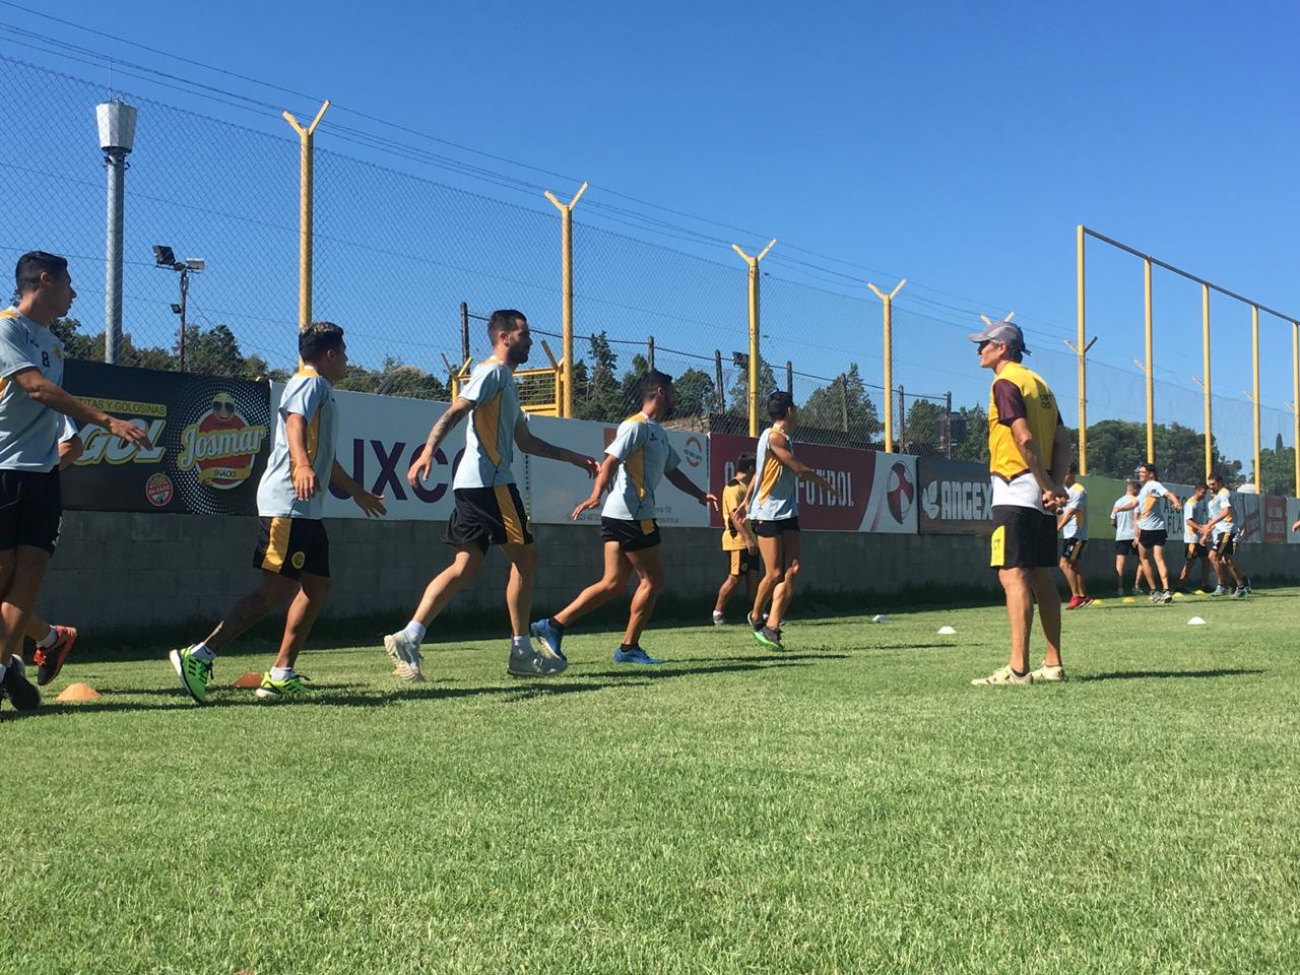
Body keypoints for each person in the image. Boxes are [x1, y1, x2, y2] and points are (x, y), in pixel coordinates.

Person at [170, 322, 386, 704]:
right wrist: (301, 466)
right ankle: (199, 655)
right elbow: (294, 423)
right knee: (277, 590)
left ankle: (281, 674)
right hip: (287, 505)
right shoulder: (310, 382)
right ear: (330, 354)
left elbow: (326, 458)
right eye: (345, 352)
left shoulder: (322, 391)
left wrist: (357, 493)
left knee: (317, 586)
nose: (348, 360)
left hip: (306, 510)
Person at [384, 310, 598, 680]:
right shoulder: (493, 373)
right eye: (525, 334)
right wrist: (428, 450)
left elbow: (525, 440)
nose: (530, 340)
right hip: (492, 484)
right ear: (504, 337)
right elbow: (456, 410)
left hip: (474, 485)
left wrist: (575, 458)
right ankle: (521, 651)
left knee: (465, 566)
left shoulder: (506, 383)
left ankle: (409, 635)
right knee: (527, 560)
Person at [0, 252, 151, 713]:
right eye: (68, 283)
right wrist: (108, 420)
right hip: (4, 472)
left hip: (41, 477)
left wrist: (59, 458)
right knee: (3, 580)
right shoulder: (6, 328)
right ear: (44, 281)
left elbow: (53, 413)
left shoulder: (56, 345)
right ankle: (21, 660)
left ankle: (7, 668)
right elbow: (36, 389)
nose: (74, 293)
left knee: (29, 576)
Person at [530, 370, 718, 665]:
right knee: (653, 580)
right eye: (671, 390)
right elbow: (609, 462)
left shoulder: (657, 431)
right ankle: (628, 647)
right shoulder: (636, 427)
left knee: (613, 583)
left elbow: (672, 471)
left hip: (622, 515)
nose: (675, 396)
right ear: (658, 391)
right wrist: (595, 495)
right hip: (633, 515)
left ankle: (551, 625)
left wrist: (698, 494)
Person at [967, 321, 1070, 686]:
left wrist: (1045, 482)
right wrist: (1054, 485)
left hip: (1015, 487)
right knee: (1041, 574)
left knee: (1012, 574)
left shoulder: (1004, 383)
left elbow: (1023, 438)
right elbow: (1063, 439)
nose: (979, 350)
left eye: (984, 344)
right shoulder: (1040, 384)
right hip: (1038, 493)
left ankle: (1018, 668)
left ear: (1003, 349)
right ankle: (1053, 663)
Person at [739, 391, 836, 652]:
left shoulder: (783, 438)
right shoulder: (773, 437)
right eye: (795, 406)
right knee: (774, 573)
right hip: (768, 513)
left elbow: (762, 471)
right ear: (789, 411)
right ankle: (756, 615)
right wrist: (824, 483)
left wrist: (747, 497)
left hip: (787, 512)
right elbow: (799, 470)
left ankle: (772, 626)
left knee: (793, 570)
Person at [23, 416, 83, 686]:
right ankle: (50, 639)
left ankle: (48, 641)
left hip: (26, 506)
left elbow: (71, 445)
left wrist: (29, 480)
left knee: (12, 593)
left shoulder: (40, 391)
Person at [1115, 462, 1182, 604]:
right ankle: (1166, 589)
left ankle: (1154, 590)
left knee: (1144, 559)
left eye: (1143, 472)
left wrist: (1175, 500)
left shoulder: (1153, 485)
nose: (1140, 474)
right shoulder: (1145, 490)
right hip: (1159, 528)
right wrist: (1121, 509)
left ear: (1151, 474)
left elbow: (1167, 493)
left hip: (1148, 529)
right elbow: (1134, 505)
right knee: (1158, 558)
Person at [712, 451, 760, 626]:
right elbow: (734, 516)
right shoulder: (733, 487)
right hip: (737, 540)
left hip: (751, 540)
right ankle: (718, 613)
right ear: (750, 468)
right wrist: (747, 538)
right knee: (734, 577)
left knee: (753, 578)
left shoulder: (748, 488)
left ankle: (759, 613)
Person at [1202, 472, 1244, 597]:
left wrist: (1210, 524)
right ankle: (1241, 585)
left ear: (1220, 483)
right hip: (1221, 532)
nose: (1211, 487)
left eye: (1213, 484)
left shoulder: (1224, 493)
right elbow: (1213, 517)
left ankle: (1222, 586)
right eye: (1209, 485)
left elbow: (1226, 511)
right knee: (1227, 560)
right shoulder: (1214, 498)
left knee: (1213, 556)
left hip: (1227, 530)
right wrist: (1206, 533)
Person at [1057, 462, 1090, 609]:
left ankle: (1076, 596)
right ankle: (1083, 596)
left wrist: (1057, 527)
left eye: (1064, 473)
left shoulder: (1078, 490)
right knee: (1074, 565)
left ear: (1072, 474)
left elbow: (1070, 513)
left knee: (1064, 564)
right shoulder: (1065, 490)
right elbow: (1063, 510)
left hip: (1076, 534)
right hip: (1070, 533)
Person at [1176, 482, 1213, 593]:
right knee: (1190, 562)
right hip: (1192, 539)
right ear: (1196, 490)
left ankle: (1205, 585)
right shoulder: (1191, 504)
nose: (1203, 495)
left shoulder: (1201, 502)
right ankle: (1179, 585)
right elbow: (1188, 521)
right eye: (1202, 493)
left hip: (1199, 539)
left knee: (1206, 561)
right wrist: (1201, 528)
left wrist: (1204, 527)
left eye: (1205, 493)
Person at [1110, 481, 1142, 597]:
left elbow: (1112, 521)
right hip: (1134, 536)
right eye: (1138, 490)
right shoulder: (1136, 502)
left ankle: (1120, 588)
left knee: (1120, 563)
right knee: (1142, 560)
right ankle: (1136, 586)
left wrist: (1119, 528)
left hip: (1121, 536)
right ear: (1134, 490)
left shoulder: (1118, 502)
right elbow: (1139, 519)